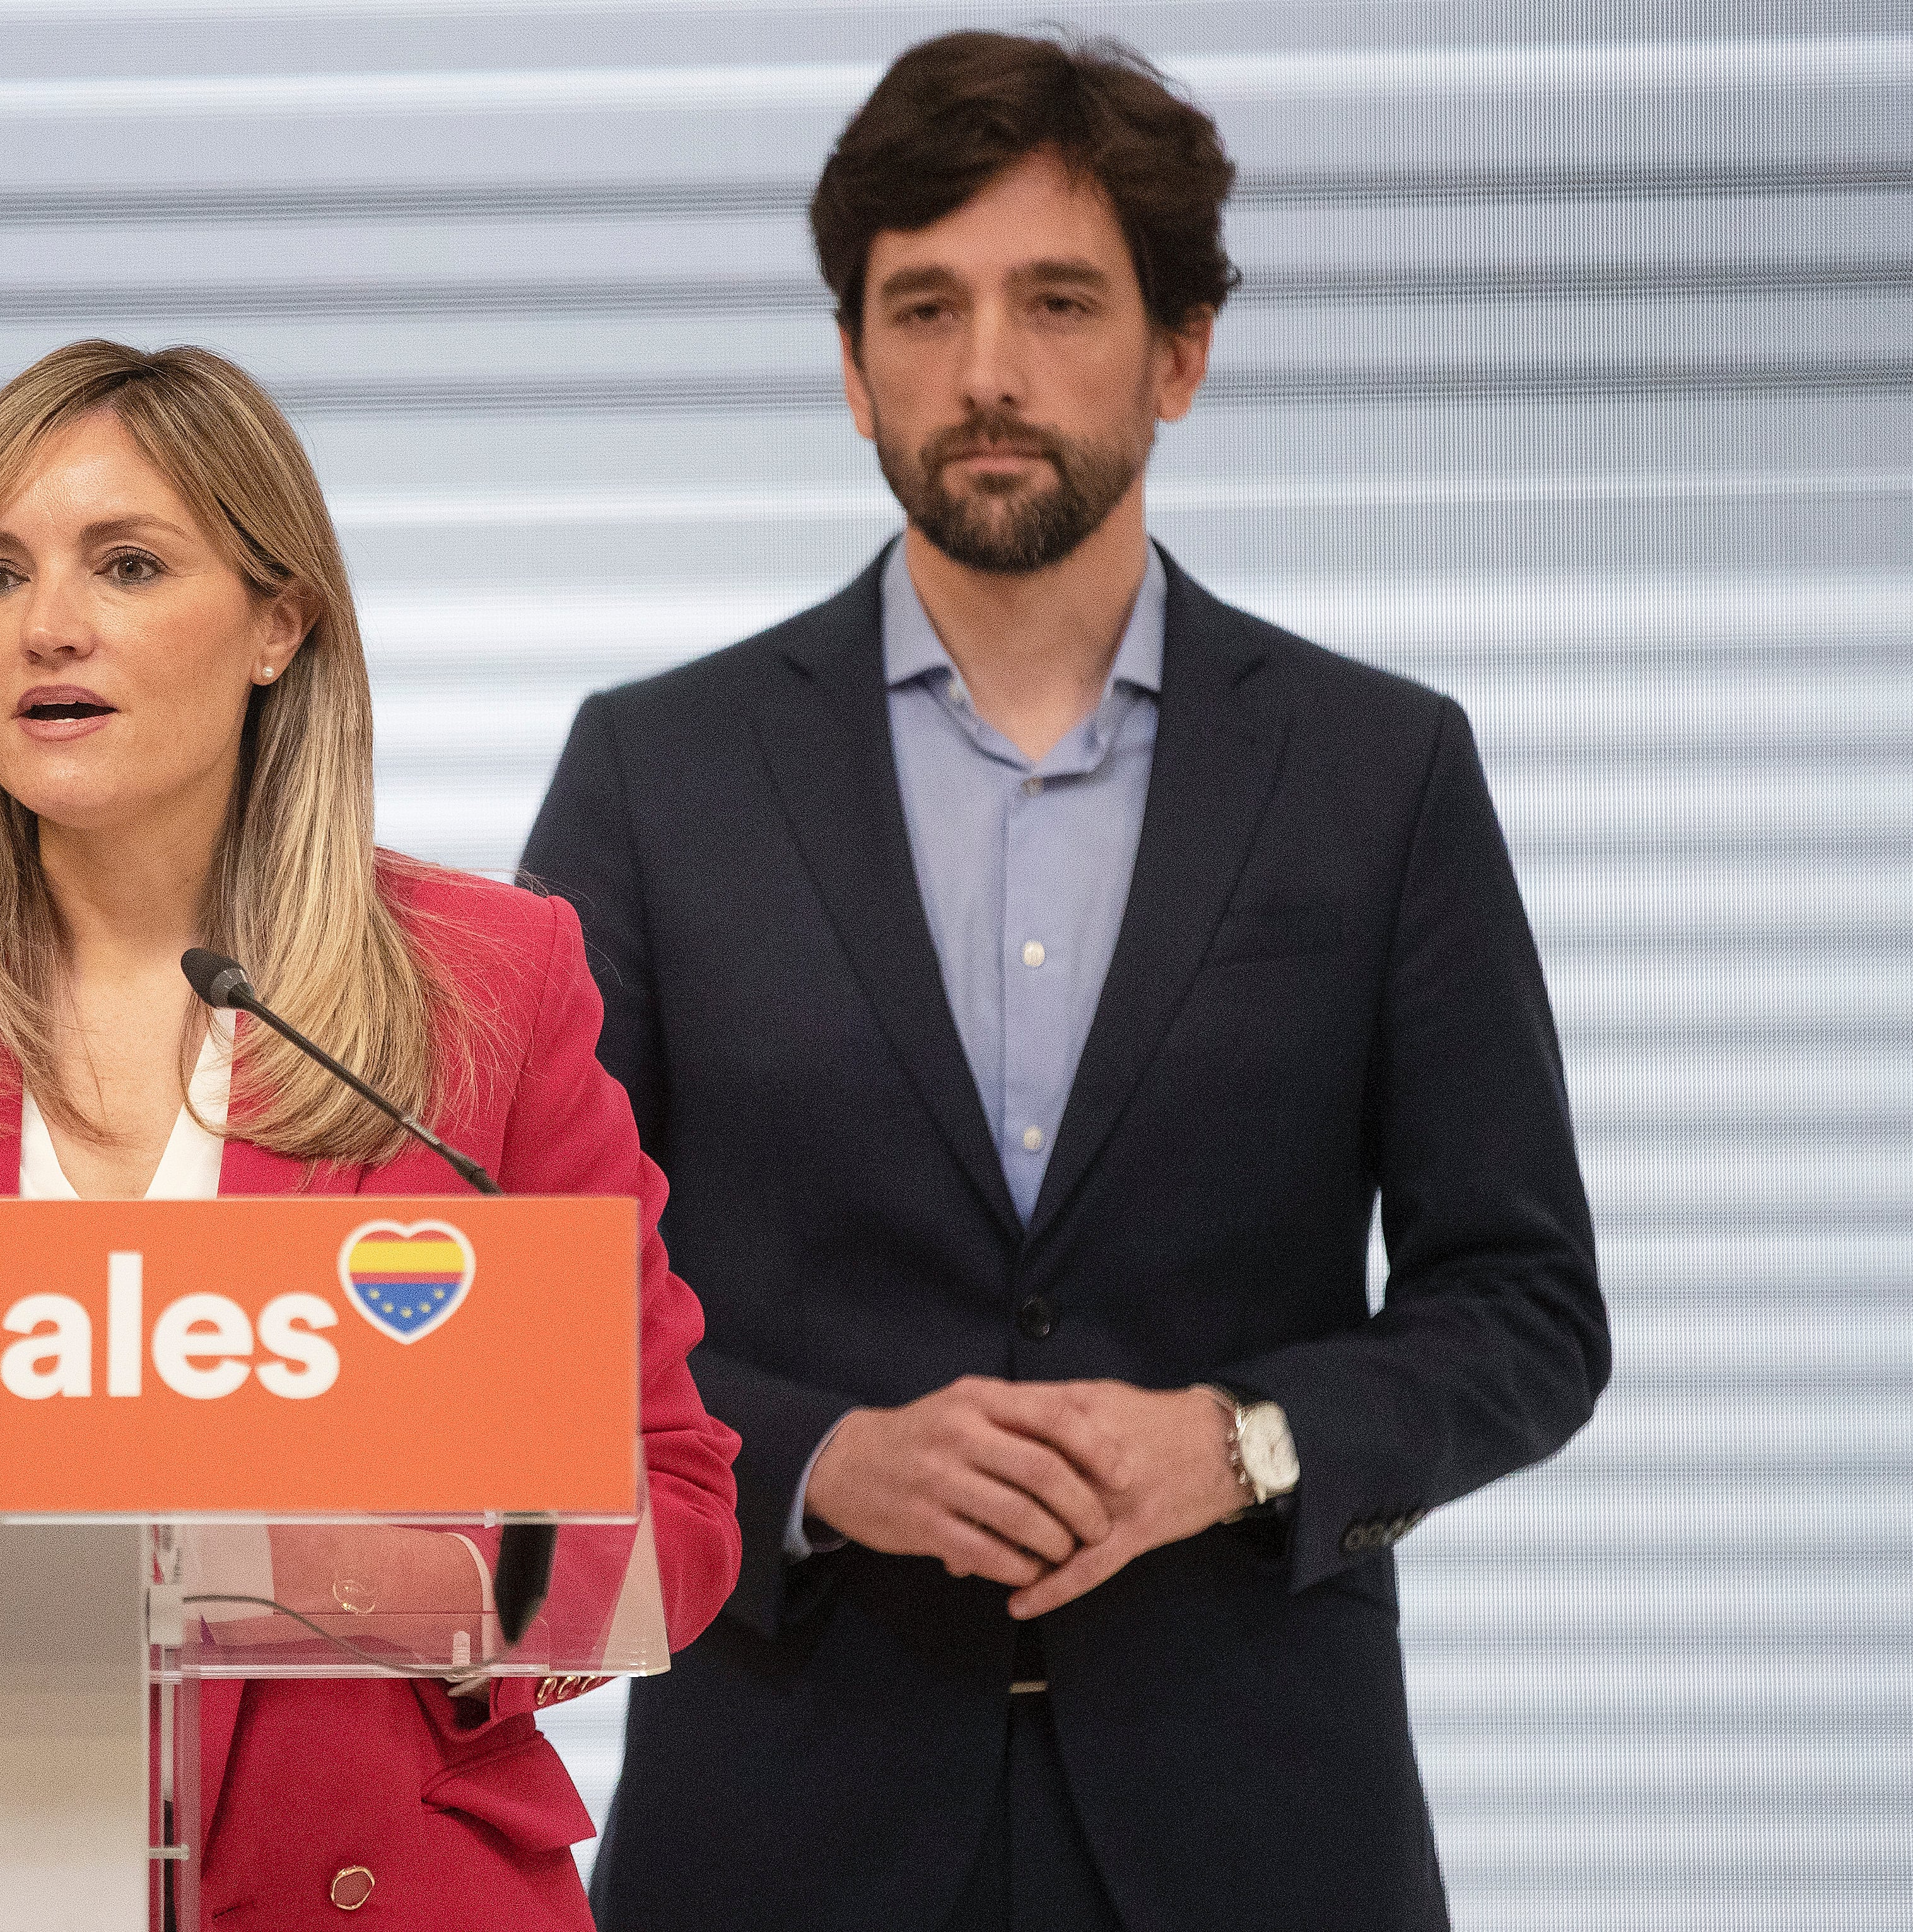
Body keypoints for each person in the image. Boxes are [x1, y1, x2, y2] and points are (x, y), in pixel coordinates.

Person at [519, 31, 1605, 1932]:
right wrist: (817, 1461)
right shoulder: (656, 773)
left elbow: (1522, 1305)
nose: (988, 370)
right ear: (854, 371)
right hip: (782, 1828)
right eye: (922, 308)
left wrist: (1240, 1446)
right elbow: (518, 1303)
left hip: (1263, 1830)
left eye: (1059, 302)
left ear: (1179, 355)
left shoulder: (1379, 772)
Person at [0, 339, 741, 1929]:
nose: (45, 626)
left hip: (369, 1885)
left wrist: (331, 1576)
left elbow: (669, 1500)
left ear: (277, 624)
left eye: (128, 563)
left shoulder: (486, 984)